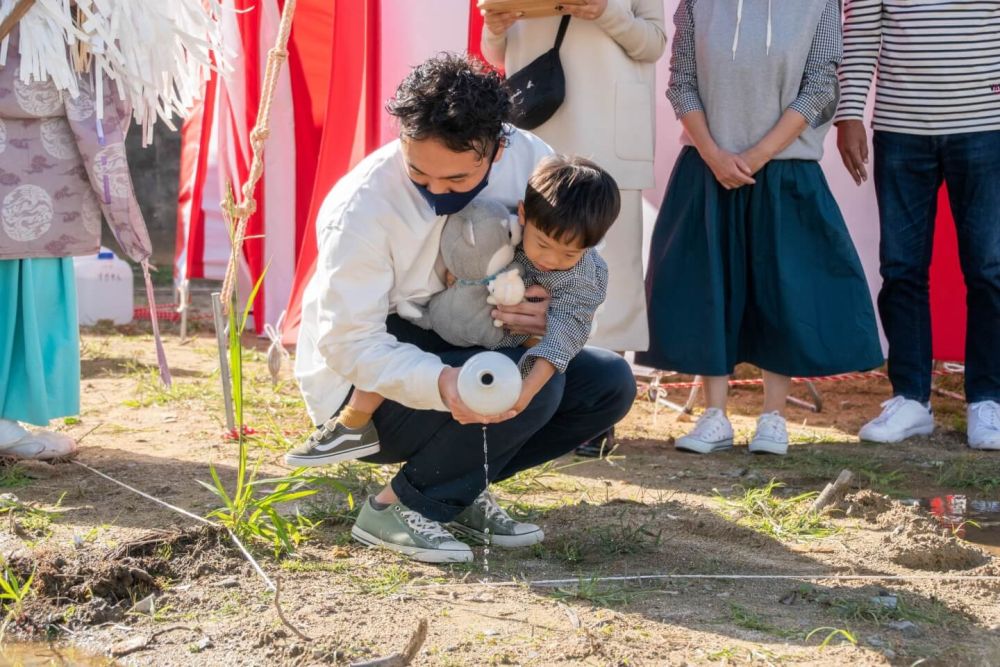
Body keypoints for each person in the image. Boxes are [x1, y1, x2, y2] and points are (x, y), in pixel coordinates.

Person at [291, 55, 637, 563]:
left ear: (497, 149)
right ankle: (398, 509)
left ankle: (458, 488)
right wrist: (441, 382)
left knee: (606, 382)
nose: (435, 190)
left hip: (478, 339)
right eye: (418, 172)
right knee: (524, 384)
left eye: (455, 179)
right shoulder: (361, 207)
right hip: (367, 386)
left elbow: (578, 252)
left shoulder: (532, 161)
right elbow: (349, 344)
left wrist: (545, 312)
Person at [637, 0, 883, 456]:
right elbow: (682, 83)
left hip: (785, 169)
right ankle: (715, 415)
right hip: (708, 169)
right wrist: (713, 154)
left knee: (782, 290)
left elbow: (819, 86)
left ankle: (773, 416)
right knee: (710, 287)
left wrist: (757, 155)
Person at [287, 155, 621, 467]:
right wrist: (462, 269)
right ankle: (353, 423)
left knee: (531, 380)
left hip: (507, 342)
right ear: (523, 214)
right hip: (451, 319)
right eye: (544, 245)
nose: (551, 260)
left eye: (569, 255)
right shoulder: (511, 226)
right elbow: (472, 235)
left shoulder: (584, 274)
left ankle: (454, 486)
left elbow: (567, 332)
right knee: (400, 339)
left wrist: (529, 388)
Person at [480, 0, 666, 456]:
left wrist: (603, 12)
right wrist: (495, 26)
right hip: (538, 127)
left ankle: (593, 409)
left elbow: (654, 43)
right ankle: (524, 388)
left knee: (611, 272)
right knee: (529, 265)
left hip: (610, 132)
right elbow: (496, 51)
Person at [834, 0, 1000, 450]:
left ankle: (988, 400)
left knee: (990, 270)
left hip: (988, 126)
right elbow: (862, 31)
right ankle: (911, 399)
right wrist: (848, 113)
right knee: (902, 269)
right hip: (900, 128)